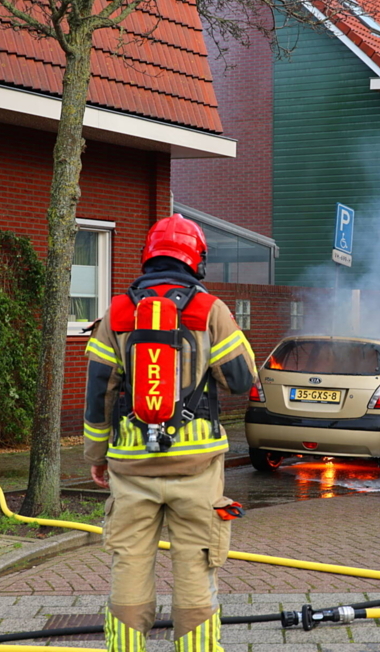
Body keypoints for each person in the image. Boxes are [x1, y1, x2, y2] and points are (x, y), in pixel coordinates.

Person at [84, 214, 257, 652]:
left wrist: (96, 454)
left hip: (131, 463)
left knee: (129, 562)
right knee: (196, 564)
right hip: (196, 467)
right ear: (196, 257)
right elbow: (240, 380)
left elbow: (98, 391)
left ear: (149, 255)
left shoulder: (118, 312)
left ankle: (125, 647)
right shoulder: (209, 309)